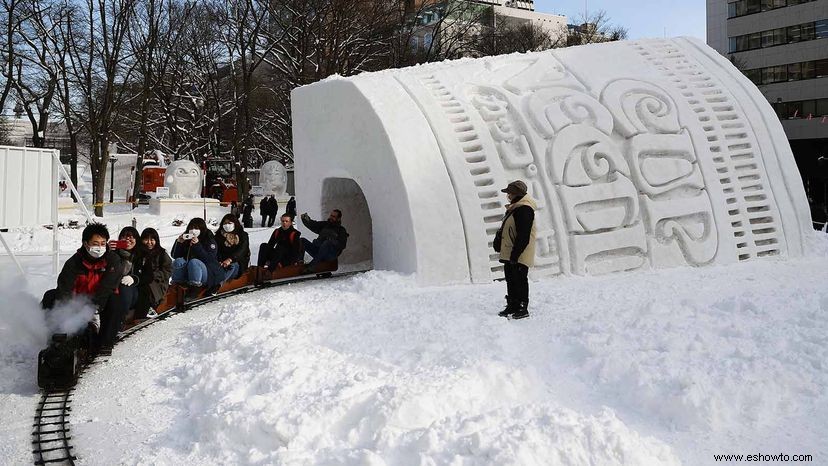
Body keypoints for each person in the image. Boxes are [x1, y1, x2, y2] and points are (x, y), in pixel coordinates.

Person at [41, 223, 122, 353]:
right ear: (86, 244)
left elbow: (107, 287)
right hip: (77, 299)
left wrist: (92, 309)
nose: (99, 247)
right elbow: (65, 288)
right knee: (50, 296)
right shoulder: (73, 263)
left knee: (116, 300)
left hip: (101, 300)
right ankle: (54, 338)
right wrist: (65, 312)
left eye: (103, 243)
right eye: (95, 243)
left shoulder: (113, 261)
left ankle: (105, 342)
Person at [493, 180, 536, 320]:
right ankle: (512, 304)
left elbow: (523, 235)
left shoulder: (524, 209)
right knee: (511, 279)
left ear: (516, 194)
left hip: (519, 253)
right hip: (511, 252)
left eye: (509, 193)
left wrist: (515, 254)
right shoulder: (515, 208)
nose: (508, 196)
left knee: (520, 279)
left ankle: (522, 307)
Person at [170, 217, 225, 295]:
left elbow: (210, 259)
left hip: (207, 272)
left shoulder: (209, 239)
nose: (193, 230)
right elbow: (175, 256)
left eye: (196, 228)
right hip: (189, 271)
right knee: (178, 261)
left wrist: (197, 245)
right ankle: (177, 285)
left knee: (194, 262)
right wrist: (179, 243)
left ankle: (195, 288)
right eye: (191, 228)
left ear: (202, 229)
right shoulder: (187, 238)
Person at [133, 228, 172, 320]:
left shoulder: (161, 254)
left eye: (152, 239)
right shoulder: (138, 253)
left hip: (158, 282)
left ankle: (146, 310)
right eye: (146, 239)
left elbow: (168, 270)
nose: (149, 242)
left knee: (146, 285)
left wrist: (154, 275)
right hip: (141, 278)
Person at [110, 226, 141, 341]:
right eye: (124, 237)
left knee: (125, 287)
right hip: (113, 288)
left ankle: (121, 321)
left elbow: (147, 275)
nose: (127, 240)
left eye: (131, 237)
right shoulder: (114, 253)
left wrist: (134, 278)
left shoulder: (140, 255)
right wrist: (108, 252)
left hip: (132, 292)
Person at [215, 213, 250, 283]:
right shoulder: (218, 236)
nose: (227, 225)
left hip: (237, 263)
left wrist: (230, 259)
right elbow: (216, 250)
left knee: (231, 266)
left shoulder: (242, 235)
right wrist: (219, 261)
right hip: (221, 263)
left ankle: (217, 285)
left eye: (229, 223)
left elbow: (242, 250)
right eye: (225, 223)